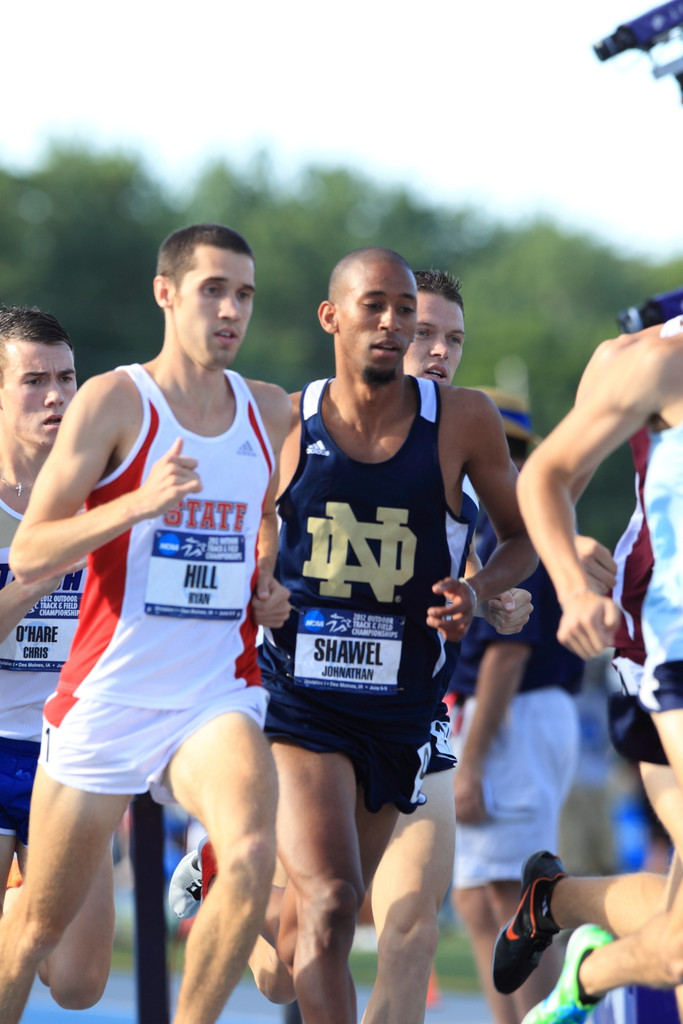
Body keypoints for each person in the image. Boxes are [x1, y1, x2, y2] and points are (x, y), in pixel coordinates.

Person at [0, 223, 292, 1024]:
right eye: (213, 291)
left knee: (252, 854)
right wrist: (136, 503)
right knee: (37, 940)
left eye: (244, 295)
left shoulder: (268, 411)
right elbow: (29, 549)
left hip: (213, 693)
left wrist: (266, 581)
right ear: (166, 294)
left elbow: (263, 517)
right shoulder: (117, 400)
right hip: (107, 698)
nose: (231, 310)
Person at [252, 246, 537, 1024]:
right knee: (338, 900)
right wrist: (263, 585)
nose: (398, 327)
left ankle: (235, 883)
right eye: (377, 309)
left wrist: (475, 595)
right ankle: (251, 874)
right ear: (331, 316)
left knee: (311, 938)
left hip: (405, 708)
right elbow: (256, 538)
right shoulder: (284, 414)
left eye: (406, 312)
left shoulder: (466, 420)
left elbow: (522, 539)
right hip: (300, 698)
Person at [492, 329, 683, 1021]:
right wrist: (571, 581)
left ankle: (566, 925)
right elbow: (546, 477)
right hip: (670, 645)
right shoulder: (652, 359)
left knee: (675, 941)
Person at [449, 388, 584, 1024]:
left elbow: (510, 652)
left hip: (516, 714)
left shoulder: (514, 510)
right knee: (482, 897)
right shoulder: (514, 505)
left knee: (513, 897)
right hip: (507, 715)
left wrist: (471, 762)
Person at [0, 305, 112, 1010]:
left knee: (77, 984)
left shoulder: (104, 494)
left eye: (67, 378)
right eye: (34, 380)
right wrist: (34, 578)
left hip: (73, 753)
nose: (56, 396)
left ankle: (19, 908)